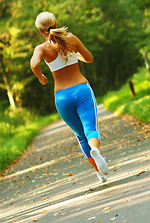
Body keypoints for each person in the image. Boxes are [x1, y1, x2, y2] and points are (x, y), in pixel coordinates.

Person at [30, 12, 109, 183]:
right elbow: (89, 58)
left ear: (40, 31)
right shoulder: (71, 38)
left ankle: (100, 173)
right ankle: (95, 149)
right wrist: (75, 55)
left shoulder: (41, 49)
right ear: (56, 23)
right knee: (90, 130)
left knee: (80, 137)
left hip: (62, 97)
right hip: (82, 90)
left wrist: (41, 77)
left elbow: (34, 64)